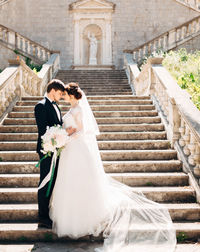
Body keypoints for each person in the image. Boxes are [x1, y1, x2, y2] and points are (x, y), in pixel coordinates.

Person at [49, 83, 177, 252]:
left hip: (77, 148)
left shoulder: (78, 110)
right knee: (70, 182)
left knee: (80, 181)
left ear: (71, 96)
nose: (63, 96)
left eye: (65, 94)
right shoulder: (72, 109)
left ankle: (84, 218)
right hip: (70, 151)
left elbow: (81, 130)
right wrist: (63, 137)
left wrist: (66, 138)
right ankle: (70, 217)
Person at [34, 79, 75, 229]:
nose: (61, 96)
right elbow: (43, 131)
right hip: (47, 150)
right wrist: (62, 134)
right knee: (45, 183)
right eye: (60, 93)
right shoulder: (41, 106)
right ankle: (42, 217)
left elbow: (56, 125)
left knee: (52, 183)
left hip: (56, 149)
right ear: (52, 91)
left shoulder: (55, 106)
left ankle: (47, 213)